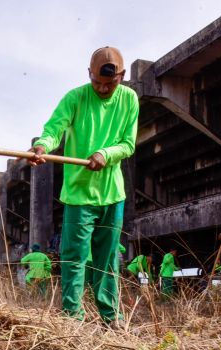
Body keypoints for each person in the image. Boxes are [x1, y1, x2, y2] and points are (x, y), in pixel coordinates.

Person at [28, 46, 139, 324]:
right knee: (74, 258)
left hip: (112, 194)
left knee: (107, 260)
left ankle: (111, 318)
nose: (102, 88)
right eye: (97, 82)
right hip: (79, 194)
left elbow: (127, 144)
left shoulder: (129, 99)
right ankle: (71, 319)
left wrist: (106, 154)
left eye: (109, 83)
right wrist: (42, 146)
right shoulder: (75, 98)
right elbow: (54, 128)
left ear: (122, 76)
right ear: (89, 73)